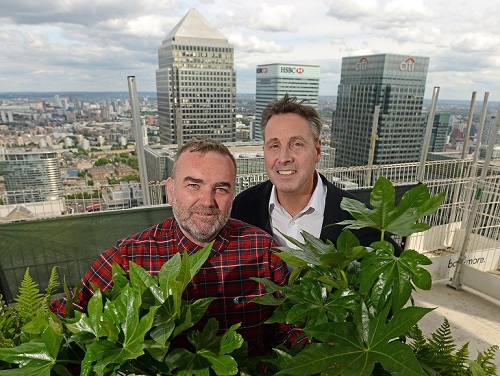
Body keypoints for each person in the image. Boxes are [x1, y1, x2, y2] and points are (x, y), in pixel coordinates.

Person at [51, 138, 295, 356]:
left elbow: (291, 328)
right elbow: (66, 317)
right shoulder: (129, 257)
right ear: (170, 190)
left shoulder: (263, 250)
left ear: (233, 194)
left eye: (220, 188)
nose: (207, 201)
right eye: (193, 185)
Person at [231, 94, 402, 254]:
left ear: (318, 150)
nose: (283, 158)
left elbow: (396, 271)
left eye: (297, 144)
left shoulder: (358, 218)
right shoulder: (244, 207)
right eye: (274, 146)